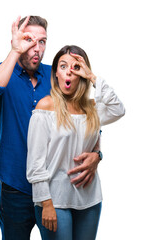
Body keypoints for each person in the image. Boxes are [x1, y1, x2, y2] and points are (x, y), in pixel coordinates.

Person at [0, 16, 102, 240]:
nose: (36, 48)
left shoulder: (56, 75)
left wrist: (96, 154)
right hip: (16, 187)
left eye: (42, 41)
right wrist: (15, 52)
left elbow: (85, 118)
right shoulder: (1, 71)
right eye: (28, 40)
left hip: (55, 191)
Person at [27, 45, 125, 240]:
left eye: (76, 67)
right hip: (55, 200)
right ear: (55, 73)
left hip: (89, 200)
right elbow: (35, 164)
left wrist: (92, 77)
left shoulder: (91, 109)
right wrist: (45, 203)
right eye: (63, 66)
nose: (69, 72)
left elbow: (118, 109)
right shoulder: (46, 107)